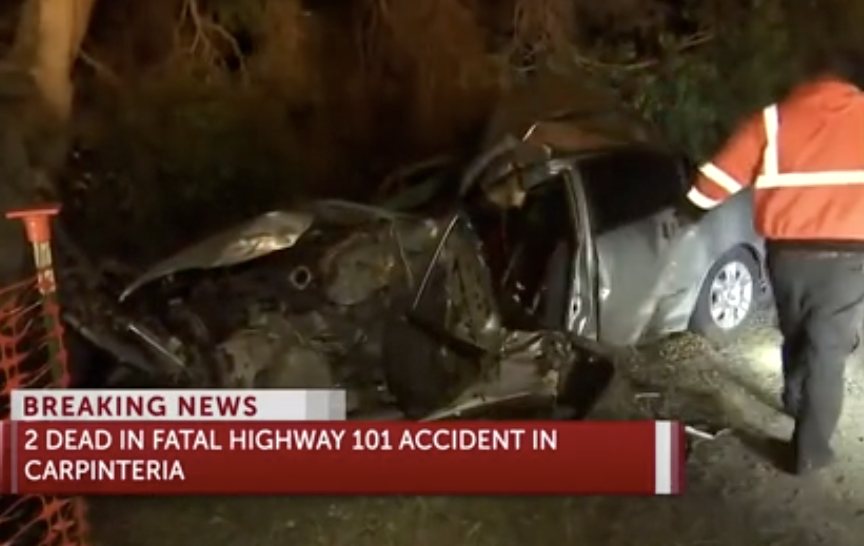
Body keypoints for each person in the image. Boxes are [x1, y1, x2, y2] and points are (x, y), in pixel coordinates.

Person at [683, 50, 864, 474]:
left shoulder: (773, 120)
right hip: (849, 259)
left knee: (795, 329)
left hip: (788, 255)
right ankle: (811, 453)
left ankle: (794, 399)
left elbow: (720, 177)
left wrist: (689, 209)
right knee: (827, 350)